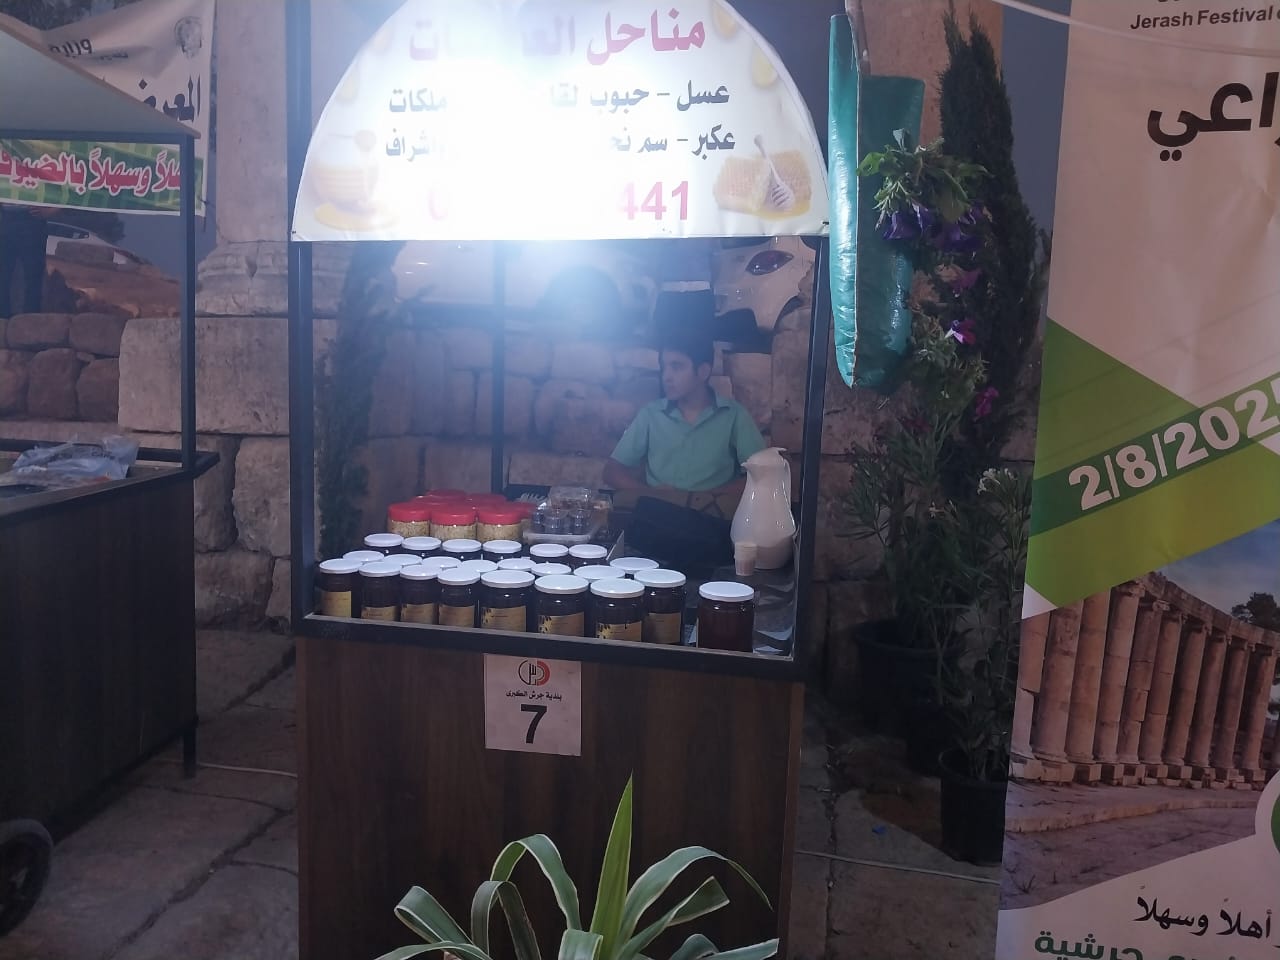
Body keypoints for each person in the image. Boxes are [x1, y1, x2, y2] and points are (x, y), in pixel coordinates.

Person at [604, 332, 766, 498]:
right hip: (658, 508)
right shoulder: (651, 414)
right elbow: (612, 471)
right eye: (664, 368)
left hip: (711, 510)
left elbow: (763, 475)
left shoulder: (734, 415)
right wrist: (651, 494)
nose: (666, 377)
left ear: (702, 372)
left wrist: (705, 498)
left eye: (676, 367)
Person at [0, 205, 50, 319]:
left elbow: (69, 197)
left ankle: (30, 321)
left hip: (33, 219)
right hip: (5, 217)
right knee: (2, 275)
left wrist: (53, 210)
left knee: (33, 277)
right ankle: (2, 319)